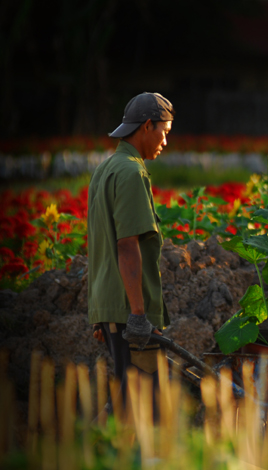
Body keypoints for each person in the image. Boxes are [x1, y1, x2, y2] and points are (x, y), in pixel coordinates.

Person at [88, 92, 174, 406]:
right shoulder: (132, 173)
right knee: (143, 405)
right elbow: (126, 247)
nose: (165, 141)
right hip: (130, 313)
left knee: (127, 398)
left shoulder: (106, 169)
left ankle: (104, 449)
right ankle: (107, 451)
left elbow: (100, 244)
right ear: (147, 126)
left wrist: (101, 313)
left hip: (113, 308)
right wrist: (138, 315)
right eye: (163, 133)